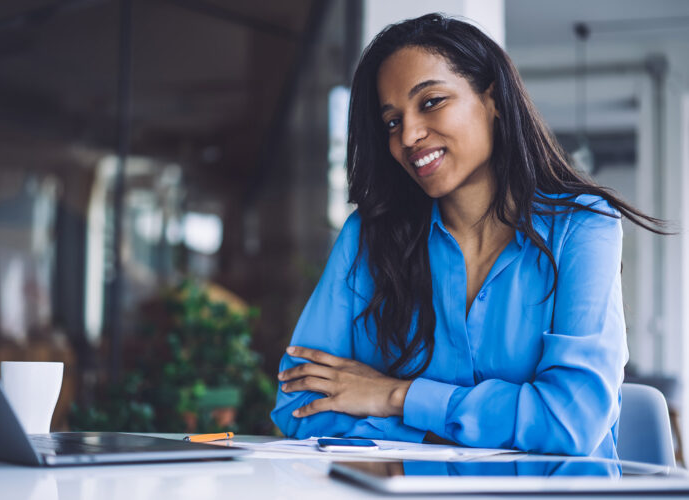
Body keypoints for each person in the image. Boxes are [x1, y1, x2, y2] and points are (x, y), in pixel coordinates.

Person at [270, 13, 668, 459]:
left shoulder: (582, 226)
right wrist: (484, 423)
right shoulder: (367, 237)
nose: (410, 135)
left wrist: (396, 396)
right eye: (391, 122)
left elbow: (569, 422)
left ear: (492, 98)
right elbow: (299, 406)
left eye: (431, 101)